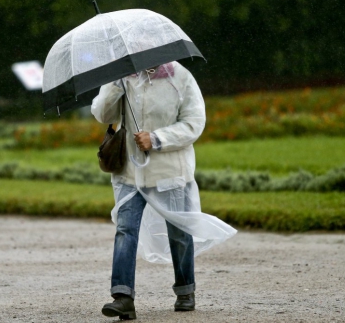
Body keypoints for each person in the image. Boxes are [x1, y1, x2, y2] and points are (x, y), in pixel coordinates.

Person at [91, 61, 237, 320]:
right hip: (129, 172)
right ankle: (122, 297)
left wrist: (156, 139)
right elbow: (103, 115)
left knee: (179, 233)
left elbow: (194, 123)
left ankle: (185, 290)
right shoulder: (122, 76)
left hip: (169, 171)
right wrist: (115, 83)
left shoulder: (179, 77)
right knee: (125, 229)